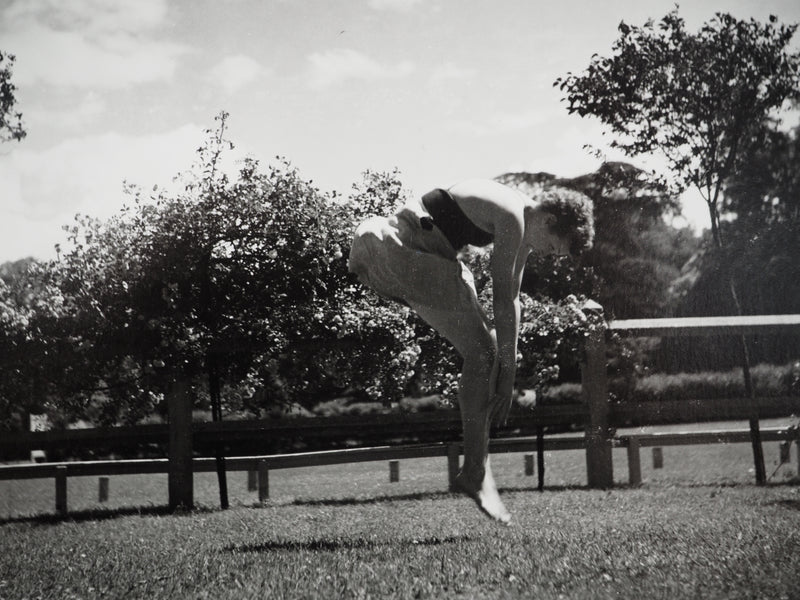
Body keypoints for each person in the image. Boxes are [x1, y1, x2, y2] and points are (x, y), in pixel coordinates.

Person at [348, 179, 594, 524]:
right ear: (550, 220)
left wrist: (507, 369)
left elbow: (513, 299)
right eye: (553, 248)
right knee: (484, 354)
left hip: (398, 251)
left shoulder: (522, 218)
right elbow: (501, 297)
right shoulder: (513, 216)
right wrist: (507, 375)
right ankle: (476, 471)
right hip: (402, 248)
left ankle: (477, 467)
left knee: (487, 349)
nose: (547, 255)